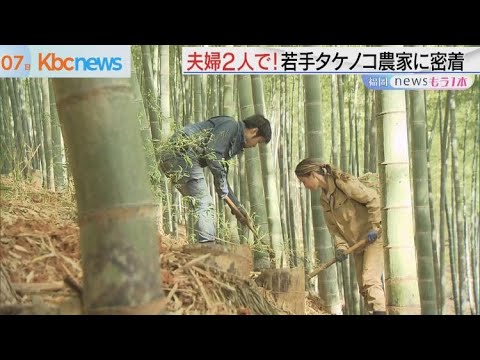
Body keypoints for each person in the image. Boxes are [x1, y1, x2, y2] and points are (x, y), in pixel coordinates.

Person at [159, 114, 271, 244]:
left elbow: (222, 179)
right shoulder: (231, 125)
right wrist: (223, 190)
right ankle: (207, 246)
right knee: (204, 203)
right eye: (258, 142)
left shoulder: (233, 141)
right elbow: (212, 155)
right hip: (181, 153)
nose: (254, 146)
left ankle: (201, 245)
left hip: (172, 158)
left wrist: (238, 206)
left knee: (198, 203)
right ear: (254, 131)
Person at [295, 158, 386, 315]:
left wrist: (375, 226)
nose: (304, 186)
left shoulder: (344, 183)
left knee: (370, 280)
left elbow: (373, 199)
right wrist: (341, 248)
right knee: (364, 287)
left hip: (374, 237)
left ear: (313, 175)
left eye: (304, 181)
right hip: (357, 243)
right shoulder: (324, 200)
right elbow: (335, 229)